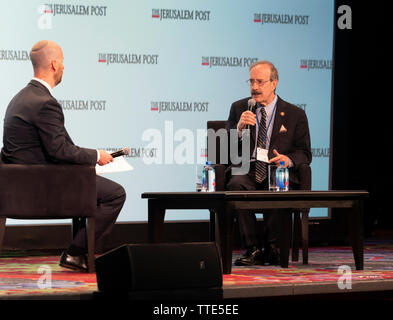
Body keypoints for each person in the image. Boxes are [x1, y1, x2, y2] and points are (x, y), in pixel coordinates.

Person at [1, 40, 126, 272]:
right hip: (42, 186)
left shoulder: (20, 97)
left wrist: (89, 160)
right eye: (63, 62)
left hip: (21, 184)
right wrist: (96, 155)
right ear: (54, 65)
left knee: (94, 183)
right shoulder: (45, 103)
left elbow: (54, 149)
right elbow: (60, 151)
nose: (65, 67)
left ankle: (80, 253)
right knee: (115, 194)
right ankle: (75, 253)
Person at [226, 60, 311, 266]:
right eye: (251, 81)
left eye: (260, 82)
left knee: (277, 183)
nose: (254, 87)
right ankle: (253, 247)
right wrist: (238, 129)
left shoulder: (295, 114)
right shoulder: (239, 108)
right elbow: (223, 148)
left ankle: (273, 248)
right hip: (248, 168)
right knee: (236, 185)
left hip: (276, 168)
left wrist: (288, 160)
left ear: (274, 83)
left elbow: (304, 153)